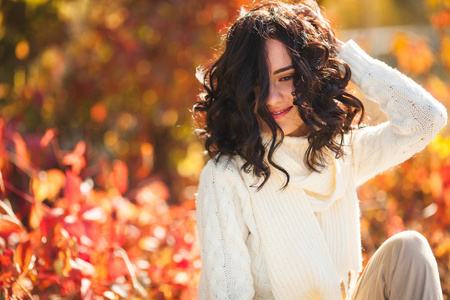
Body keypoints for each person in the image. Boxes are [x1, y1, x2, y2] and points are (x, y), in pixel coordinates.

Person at [192, 1, 447, 299]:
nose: (273, 98)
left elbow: (426, 119)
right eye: (258, 84)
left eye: (286, 77)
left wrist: (338, 51)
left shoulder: (338, 154)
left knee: (409, 250)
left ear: (309, 74)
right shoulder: (225, 178)